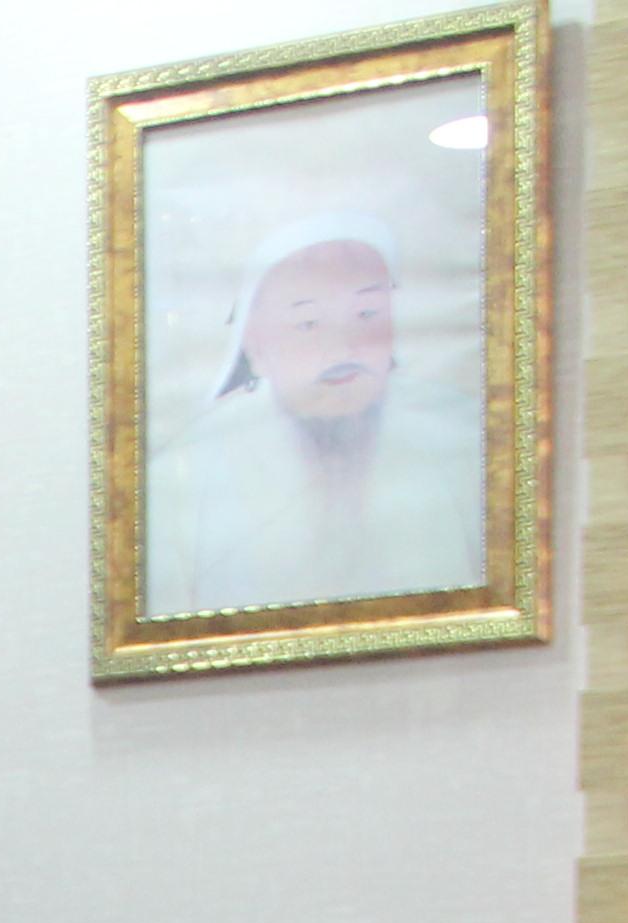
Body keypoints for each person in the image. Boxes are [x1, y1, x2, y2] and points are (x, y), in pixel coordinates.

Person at [144, 209, 487, 620]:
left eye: (366, 315)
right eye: (307, 323)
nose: (343, 348)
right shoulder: (182, 480)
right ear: (255, 344)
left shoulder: (466, 444)